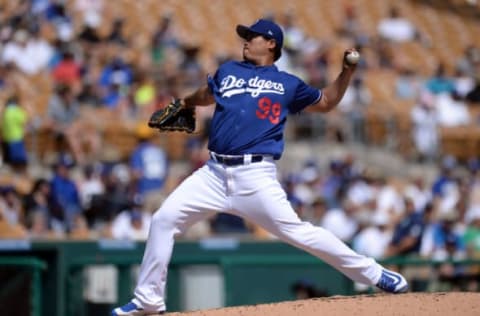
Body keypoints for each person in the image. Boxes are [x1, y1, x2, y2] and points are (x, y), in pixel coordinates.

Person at [112, 19, 408, 316]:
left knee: (300, 233)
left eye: (253, 36)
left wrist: (347, 71)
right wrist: (186, 103)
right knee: (163, 219)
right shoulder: (228, 70)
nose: (246, 40)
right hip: (212, 173)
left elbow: (327, 101)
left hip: (255, 177)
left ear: (271, 44)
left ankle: (374, 273)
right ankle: (149, 299)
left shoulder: (287, 83)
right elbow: (207, 93)